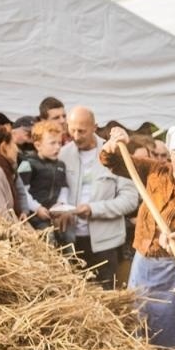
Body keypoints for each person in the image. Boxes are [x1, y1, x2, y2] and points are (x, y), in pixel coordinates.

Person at [103, 123, 175, 350]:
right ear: (172, 153)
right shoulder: (154, 171)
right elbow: (113, 162)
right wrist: (114, 143)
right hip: (143, 263)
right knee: (139, 318)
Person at [57, 106, 138, 287]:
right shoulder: (63, 154)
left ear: (95, 127)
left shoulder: (114, 153)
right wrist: (61, 209)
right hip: (71, 240)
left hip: (106, 244)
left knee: (106, 295)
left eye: (82, 131)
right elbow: (57, 190)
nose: (76, 136)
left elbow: (130, 199)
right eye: (72, 130)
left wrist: (94, 209)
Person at [17, 120, 68, 241]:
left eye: (60, 143)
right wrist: (37, 208)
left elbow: (64, 188)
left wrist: (61, 204)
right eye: (52, 143)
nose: (57, 147)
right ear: (38, 145)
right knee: (48, 238)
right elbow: (22, 191)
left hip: (53, 213)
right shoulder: (27, 163)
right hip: (33, 215)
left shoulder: (61, 165)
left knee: (67, 237)